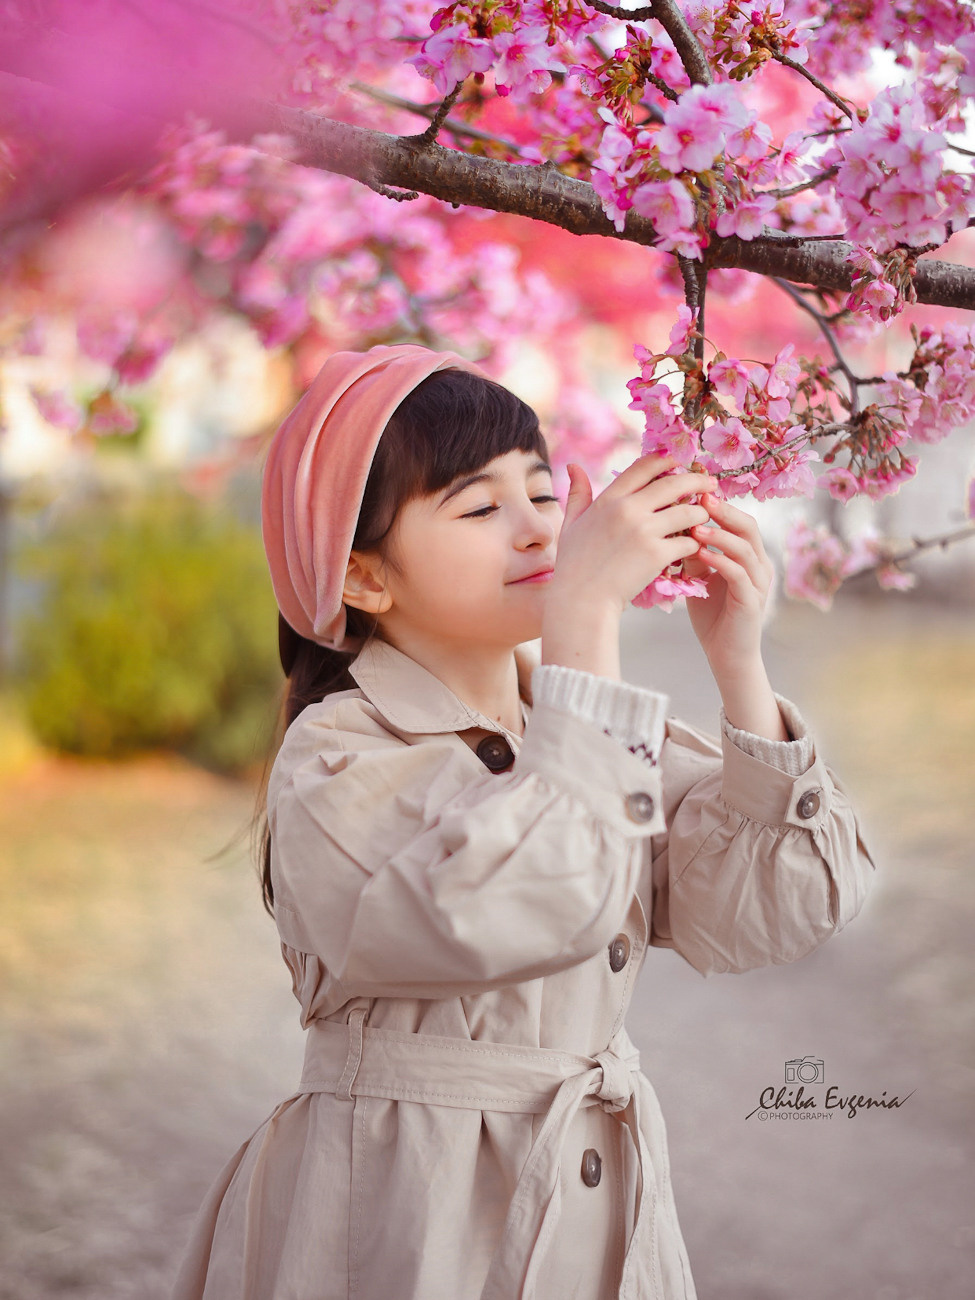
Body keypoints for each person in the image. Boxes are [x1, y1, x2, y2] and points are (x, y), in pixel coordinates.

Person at [172, 343, 876, 1300]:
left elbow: (772, 916)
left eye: (543, 494)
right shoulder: (338, 755)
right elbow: (531, 901)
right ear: (366, 578)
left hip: (597, 1226)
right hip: (406, 1221)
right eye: (478, 506)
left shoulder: (573, 726)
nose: (540, 530)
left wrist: (737, 666)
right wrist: (585, 613)